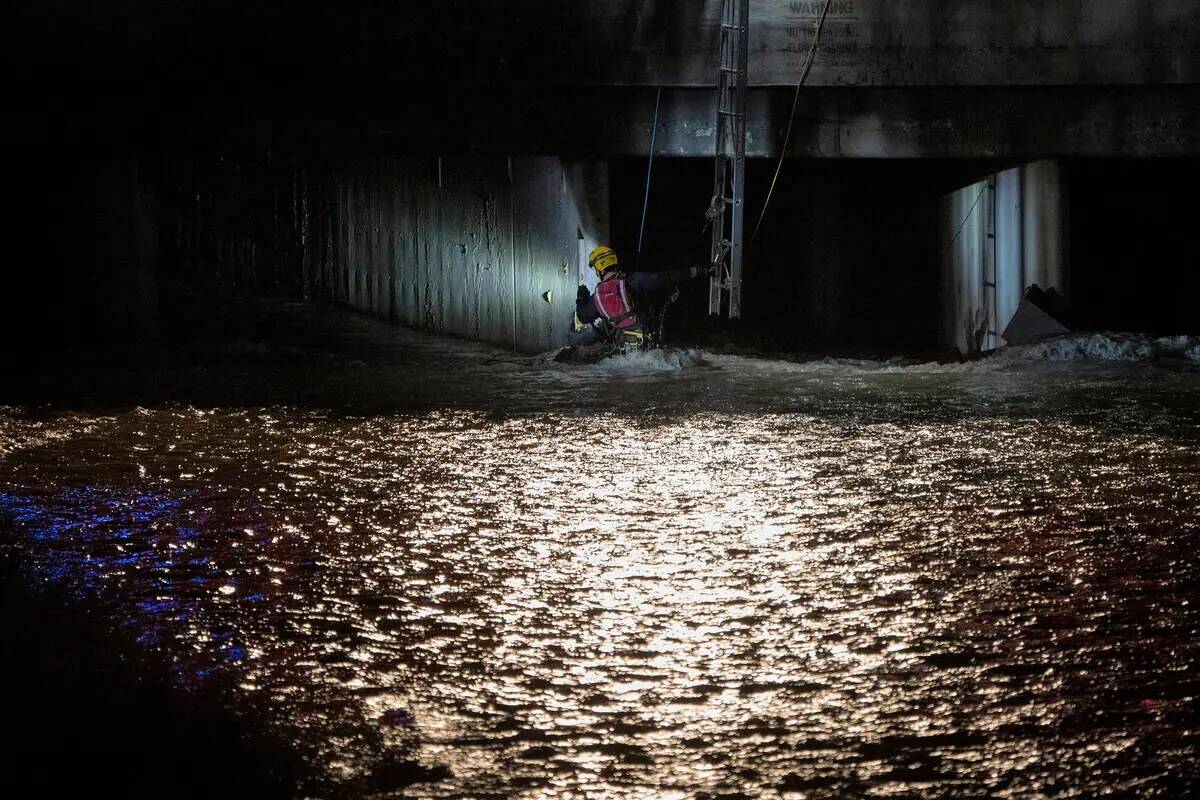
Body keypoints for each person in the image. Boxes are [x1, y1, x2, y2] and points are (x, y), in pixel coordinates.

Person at [569, 245, 710, 353]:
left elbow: (582, 317)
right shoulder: (633, 281)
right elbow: (666, 278)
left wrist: (581, 297)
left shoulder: (596, 298)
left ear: (599, 268)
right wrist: (697, 271)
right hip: (648, 349)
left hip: (623, 352)